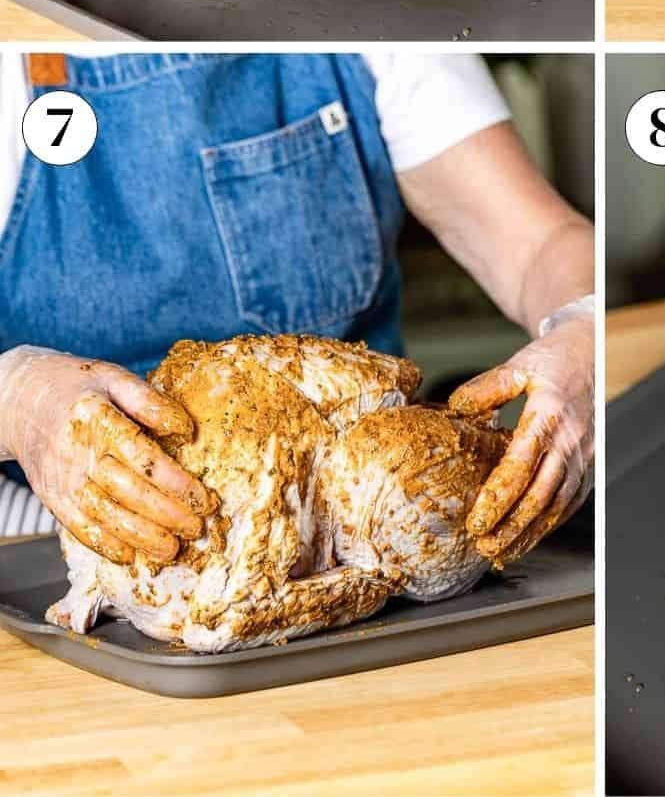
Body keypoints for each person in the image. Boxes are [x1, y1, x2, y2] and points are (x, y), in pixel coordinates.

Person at [0, 52, 594, 570]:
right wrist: (15, 401)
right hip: (65, 550)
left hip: (388, 543)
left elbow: (538, 244)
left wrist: (586, 327)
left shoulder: (384, 8)